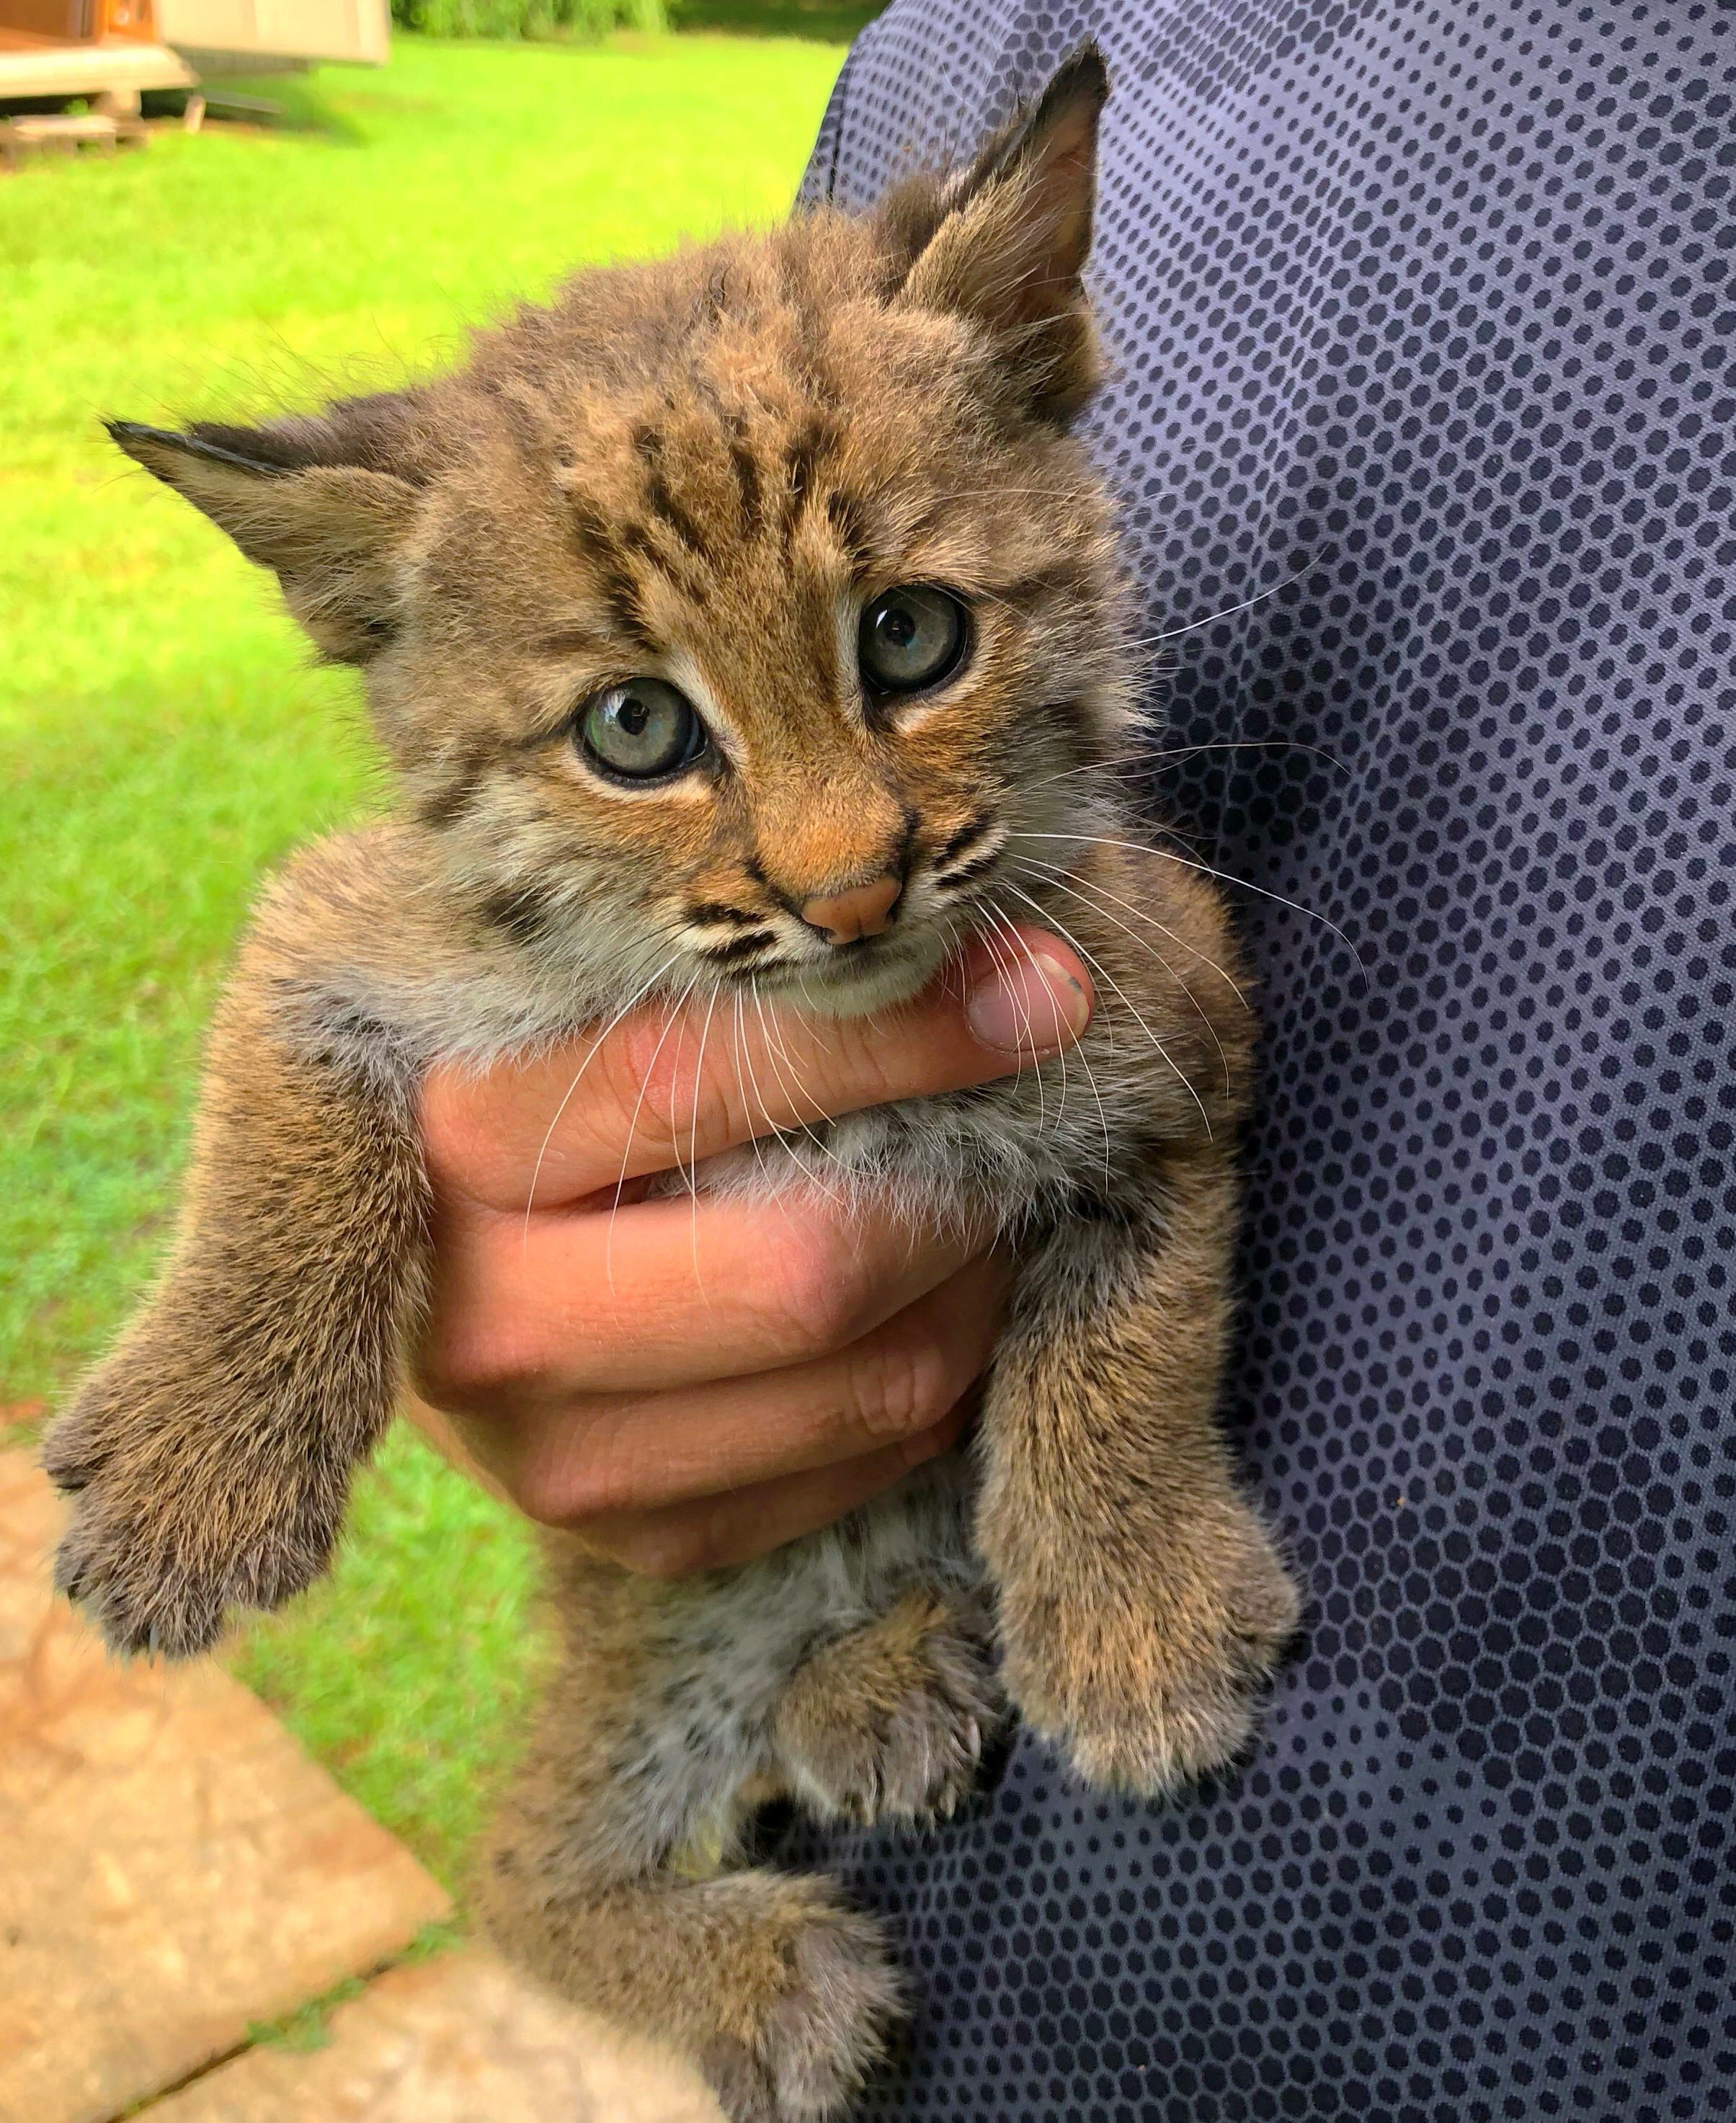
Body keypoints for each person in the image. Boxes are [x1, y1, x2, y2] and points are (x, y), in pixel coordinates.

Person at [412, 3, 1736, 2117]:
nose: (843, 858)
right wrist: (540, 1261)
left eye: (911, 645)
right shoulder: (957, 51)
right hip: (975, 1956)